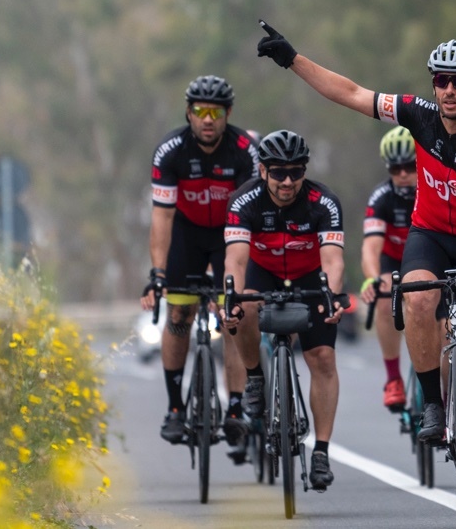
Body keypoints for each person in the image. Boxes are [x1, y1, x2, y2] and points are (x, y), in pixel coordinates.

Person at [256, 21, 456, 476]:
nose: (449, 90)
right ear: (433, 84)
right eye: (441, 80)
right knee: (418, 300)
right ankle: (433, 406)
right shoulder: (417, 115)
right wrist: (293, 59)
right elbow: (350, 92)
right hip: (431, 236)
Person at [221, 129, 348, 491]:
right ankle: (255, 378)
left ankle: (320, 452)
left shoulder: (324, 201)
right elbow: (236, 259)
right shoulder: (243, 202)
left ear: (304, 171)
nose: (287, 180)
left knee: (323, 357)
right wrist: (230, 297)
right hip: (265, 272)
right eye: (278, 172)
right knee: (242, 305)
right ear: (263, 171)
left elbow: (333, 261)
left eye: (295, 171)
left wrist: (332, 296)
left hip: (310, 276)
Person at [140, 75, 260, 460]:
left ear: (228, 115)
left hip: (230, 234)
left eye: (216, 112)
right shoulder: (170, 151)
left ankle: (237, 407)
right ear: (188, 113)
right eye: (200, 112)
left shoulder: (245, 150)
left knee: (233, 318)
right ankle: (176, 407)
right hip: (187, 236)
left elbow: (252, 215)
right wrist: (157, 272)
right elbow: (161, 219)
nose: (208, 120)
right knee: (178, 314)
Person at [359, 126, 418, 412]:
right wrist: (373, 278)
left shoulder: (433, 189)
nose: (403, 173)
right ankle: (393, 378)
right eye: (396, 168)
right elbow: (371, 247)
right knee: (385, 299)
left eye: (409, 166)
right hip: (393, 262)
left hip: (432, 258)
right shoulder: (381, 197)